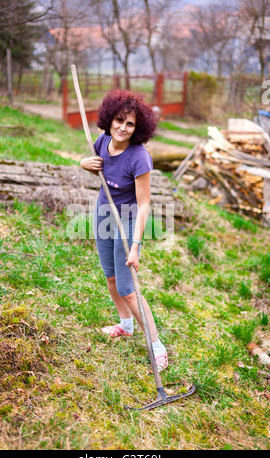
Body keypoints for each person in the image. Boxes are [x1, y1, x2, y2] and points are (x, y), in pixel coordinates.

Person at [80, 89, 168, 372]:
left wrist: (135, 246)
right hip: (104, 212)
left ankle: (156, 344)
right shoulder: (103, 140)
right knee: (110, 279)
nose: (123, 127)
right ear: (110, 119)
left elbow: (144, 206)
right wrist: (84, 164)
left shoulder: (139, 157)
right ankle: (126, 324)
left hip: (129, 219)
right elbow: (97, 167)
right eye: (119, 120)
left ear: (138, 127)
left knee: (128, 289)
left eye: (130, 124)